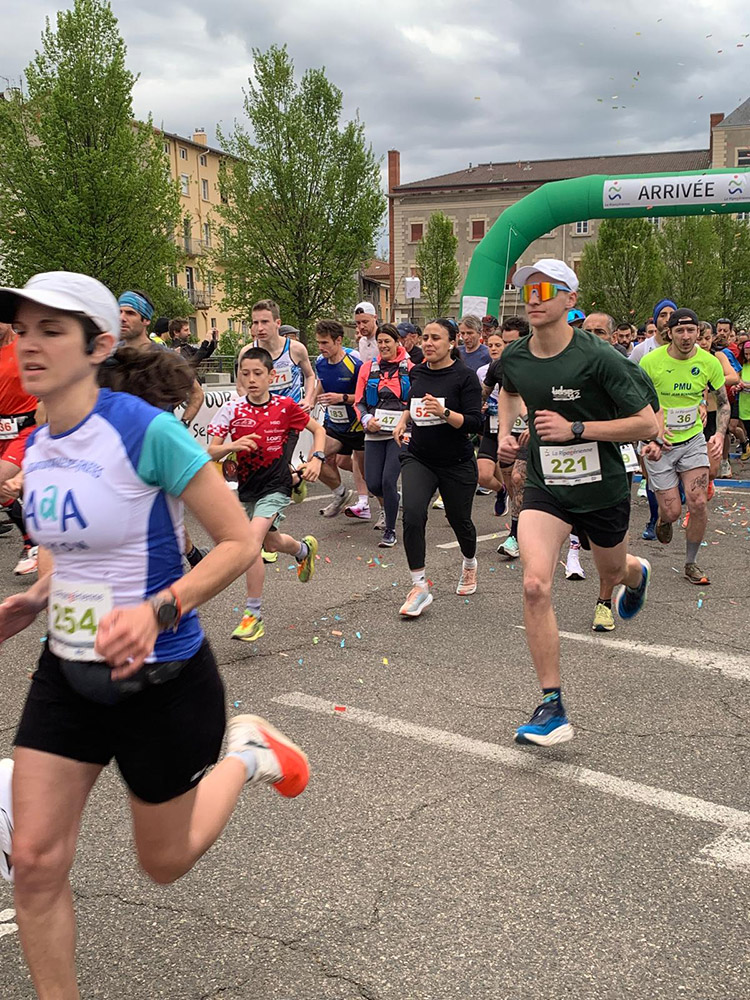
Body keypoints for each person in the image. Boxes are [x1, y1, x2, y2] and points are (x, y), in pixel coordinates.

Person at [0, 271, 310, 998]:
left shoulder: (147, 431)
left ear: (98, 345)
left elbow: (236, 543)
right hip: (68, 673)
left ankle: (247, 751)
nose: (29, 344)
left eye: (51, 330)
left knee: (163, 864)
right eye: (22, 329)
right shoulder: (40, 445)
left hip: (162, 677)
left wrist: (158, 611)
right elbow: (70, 551)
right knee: (35, 862)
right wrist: (36, 599)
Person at [497, 259, 660, 746]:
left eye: (546, 289)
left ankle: (635, 572)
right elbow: (508, 391)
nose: (534, 298)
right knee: (534, 585)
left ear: (571, 300)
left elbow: (647, 424)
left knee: (612, 571)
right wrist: (507, 433)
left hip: (601, 488)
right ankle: (552, 706)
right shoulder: (516, 355)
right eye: (528, 289)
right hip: (547, 487)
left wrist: (577, 429)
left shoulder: (600, 358)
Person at [208, 347, 323, 641]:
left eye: (258, 373)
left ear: (271, 376)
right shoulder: (232, 409)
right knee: (271, 541)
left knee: (251, 543)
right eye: (245, 373)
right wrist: (233, 446)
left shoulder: (285, 406)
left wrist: (316, 459)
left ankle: (253, 616)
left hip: (277, 485)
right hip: (248, 488)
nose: (251, 379)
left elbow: (318, 430)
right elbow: (210, 451)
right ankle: (303, 550)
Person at [393, 318, 483, 617]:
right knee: (412, 513)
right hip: (419, 457)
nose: (428, 343)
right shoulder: (417, 371)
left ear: (452, 343)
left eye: (436, 338)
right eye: (426, 338)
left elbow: (475, 423)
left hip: (456, 462)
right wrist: (403, 420)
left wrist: (444, 413)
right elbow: (412, 403)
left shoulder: (465, 377)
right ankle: (419, 586)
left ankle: (469, 562)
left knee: (460, 521)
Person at [640, 308, 729, 586]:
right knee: (672, 512)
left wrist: (719, 434)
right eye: (680, 330)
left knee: (698, 502)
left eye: (691, 330)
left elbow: (723, 403)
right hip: (660, 444)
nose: (686, 336)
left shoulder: (708, 362)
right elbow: (636, 403)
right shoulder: (650, 362)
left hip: (693, 441)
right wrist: (652, 434)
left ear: (698, 333)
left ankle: (691, 563)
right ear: (669, 333)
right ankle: (664, 519)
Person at [119, 290, 207, 566]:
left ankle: (183, 563)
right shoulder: (109, 355)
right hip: (119, 451)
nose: (122, 317)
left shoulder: (165, 357)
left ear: (146, 320)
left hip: (155, 452)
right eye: (119, 311)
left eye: (130, 313)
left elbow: (197, 394)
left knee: (162, 514)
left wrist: (181, 425)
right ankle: (192, 556)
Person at [355, 323, 413, 547]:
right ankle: (393, 500)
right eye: (379, 342)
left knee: (389, 480)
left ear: (397, 342)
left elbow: (415, 400)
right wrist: (366, 420)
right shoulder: (367, 368)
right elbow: (359, 402)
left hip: (400, 433)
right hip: (375, 432)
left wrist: (405, 421)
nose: (383, 345)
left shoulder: (410, 368)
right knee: (373, 484)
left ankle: (390, 530)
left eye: (387, 341)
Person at [313, 319, 372, 521]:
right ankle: (340, 494)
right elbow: (321, 383)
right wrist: (310, 401)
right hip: (334, 424)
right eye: (318, 343)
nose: (320, 347)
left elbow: (366, 397)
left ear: (338, 341)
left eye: (325, 343)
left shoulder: (354, 363)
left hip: (357, 425)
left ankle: (383, 497)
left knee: (365, 472)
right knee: (316, 458)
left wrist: (341, 398)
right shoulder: (320, 362)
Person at [0, 320, 42, 576]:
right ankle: (36, 542)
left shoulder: (25, 347)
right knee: (22, 491)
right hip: (2, 429)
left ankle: (35, 543)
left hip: (26, 427)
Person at [237, 299, 317, 413]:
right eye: (255, 323)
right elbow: (240, 386)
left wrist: (307, 399)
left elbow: (309, 375)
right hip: (263, 415)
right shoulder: (247, 352)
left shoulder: (296, 349)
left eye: (265, 322)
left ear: (278, 323)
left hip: (291, 414)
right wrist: (254, 408)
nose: (259, 328)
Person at [477, 329, 510, 515]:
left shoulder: (528, 367)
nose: (494, 349)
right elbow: (483, 394)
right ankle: (501, 490)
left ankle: (518, 524)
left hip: (516, 427)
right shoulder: (491, 368)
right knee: (482, 475)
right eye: (490, 345)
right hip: (492, 423)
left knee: (517, 478)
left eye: (499, 345)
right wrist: (479, 405)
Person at [628, 299, 676, 364]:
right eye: (663, 315)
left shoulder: (684, 348)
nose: (668, 319)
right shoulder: (641, 350)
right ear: (656, 320)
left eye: (672, 315)